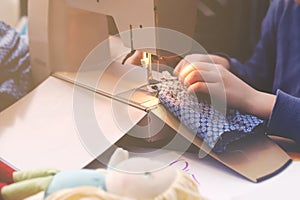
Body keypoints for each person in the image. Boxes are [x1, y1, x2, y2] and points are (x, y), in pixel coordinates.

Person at [174, 0, 300, 142]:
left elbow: (255, 95)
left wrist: (253, 99)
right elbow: (260, 73)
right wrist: (228, 66)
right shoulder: (284, 6)